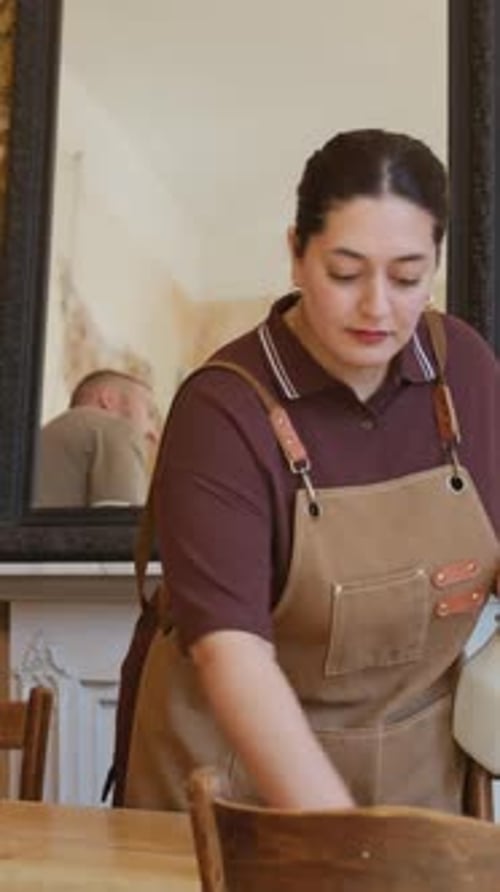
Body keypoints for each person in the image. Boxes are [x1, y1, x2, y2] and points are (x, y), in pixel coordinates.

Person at [112, 129, 499, 815]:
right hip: (231, 788)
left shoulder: (464, 372)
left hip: (413, 786)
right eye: (345, 272)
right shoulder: (222, 408)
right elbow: (233, 658)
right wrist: (341, 844)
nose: (378, 306)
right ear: (295, 254)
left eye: (408, 276)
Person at [34, 369, 159, 507]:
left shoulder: (43, 438)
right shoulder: (117, 429)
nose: (154, 434)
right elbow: (121, 524)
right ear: (109, 399)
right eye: (150, 414)